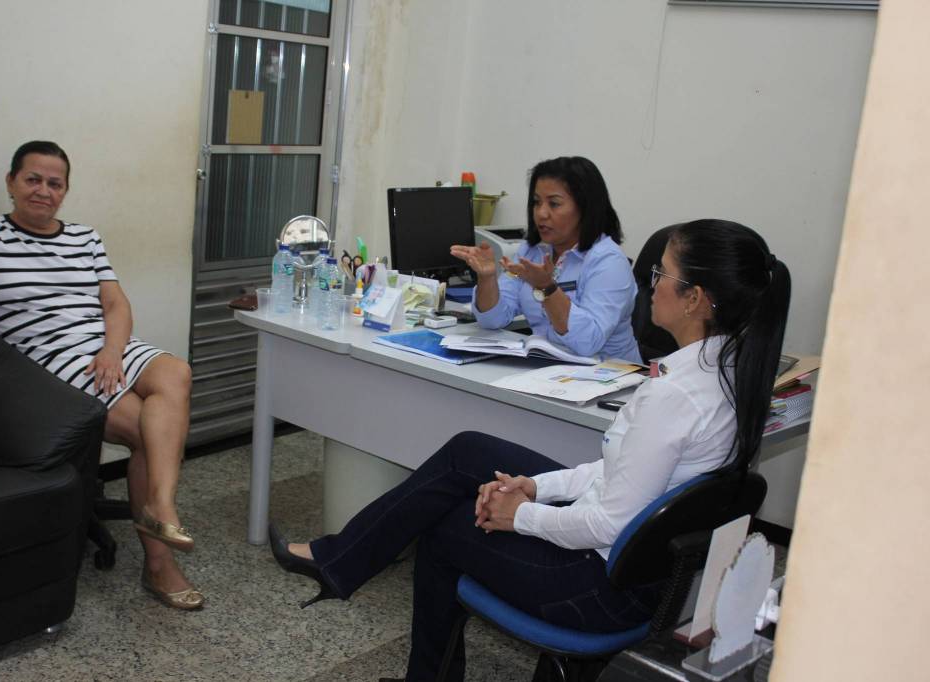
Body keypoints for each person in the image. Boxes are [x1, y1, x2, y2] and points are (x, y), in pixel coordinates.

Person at [270, 219, 791, 681]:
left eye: (661, 274)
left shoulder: (674, 396)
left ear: (695, 298)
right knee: (469, 451)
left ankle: (409, 655)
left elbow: (607, 524)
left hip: (603, 587)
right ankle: (340, 560)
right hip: (644, 571)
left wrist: (520, 516)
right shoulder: (730, 371)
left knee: (447, 526)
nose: (650, 285)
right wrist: (535, 488)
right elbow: (623, 471)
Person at [0, 141, 202, 610]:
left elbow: (115, 304)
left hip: (107, 349)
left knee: (176, 372)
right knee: (148, 432)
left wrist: (112, 351)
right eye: (33, 179)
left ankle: (159, 506)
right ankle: (159, 564)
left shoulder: (85, 237)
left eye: (55, 183)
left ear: (65, 190)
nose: (44, 191)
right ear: (11, 182)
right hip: (52, 362)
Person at [450, 156, 641, 362]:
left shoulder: (609, 262)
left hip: (608, 373)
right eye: (536, 202)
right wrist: (487, 278)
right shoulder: (532, 251)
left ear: (585, 208)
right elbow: (492, 320)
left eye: (554, 204)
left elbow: (588, 342)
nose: (541, 213)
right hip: (548, 368)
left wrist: (546, 288)